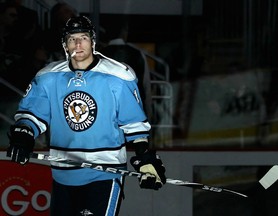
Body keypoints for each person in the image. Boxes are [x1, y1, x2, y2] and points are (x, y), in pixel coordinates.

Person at [6, 16, 166, 216]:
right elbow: (32, 114)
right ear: (65, 44)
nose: (78, 44)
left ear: (93, 41)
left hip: (105, 174)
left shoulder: (119, 76)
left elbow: (134, 125)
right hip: (62, 174)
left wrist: (145, 158)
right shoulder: (48, 77)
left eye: (83, 38)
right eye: (72, 39)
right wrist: (24, 134)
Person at [100, 17, 152, 121]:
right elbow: (146, 87)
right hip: (134, 111)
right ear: (124, 32)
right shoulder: (138, 54)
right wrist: (148, 114)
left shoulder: (98, 55)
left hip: (107, 113)